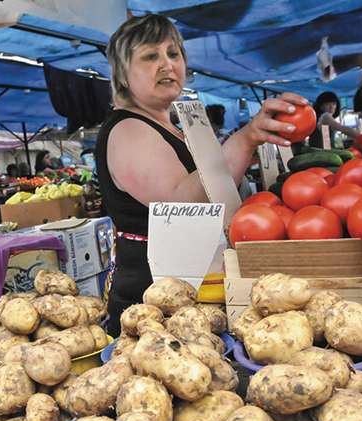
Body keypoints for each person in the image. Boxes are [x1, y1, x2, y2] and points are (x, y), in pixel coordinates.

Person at [97, 14, 307, 336]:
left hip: (187, 295)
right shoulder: (127, 130)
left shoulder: (171, 127)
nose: (167, 64)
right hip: (152, 307)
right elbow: (184, 204)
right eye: (151, 56)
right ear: (122, 74)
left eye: (173, 53)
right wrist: (247, 137)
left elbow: (214, 189)